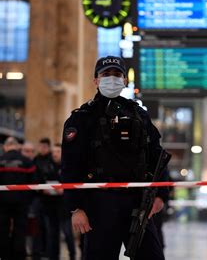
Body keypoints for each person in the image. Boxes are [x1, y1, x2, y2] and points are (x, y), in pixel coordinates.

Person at [61, 56, 169, 260]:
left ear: (125, 80)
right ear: (96, 80)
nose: (112, 79)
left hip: (138, 203)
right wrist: (75, 208)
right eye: (106, 74)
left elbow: (157, 155)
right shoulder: (82, 118)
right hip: (99, 205)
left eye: (117, 74)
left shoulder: (139, 114)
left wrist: (161, 194)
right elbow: (70, 166)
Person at [0, 137, 37, 259]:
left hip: (2, 203)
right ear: (17, 147)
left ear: (5, 147)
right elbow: (34, 182)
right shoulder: (26, 161)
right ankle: (19, 256)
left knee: (2, 230)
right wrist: (27, 199)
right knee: (20, 230)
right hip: (21, 202)